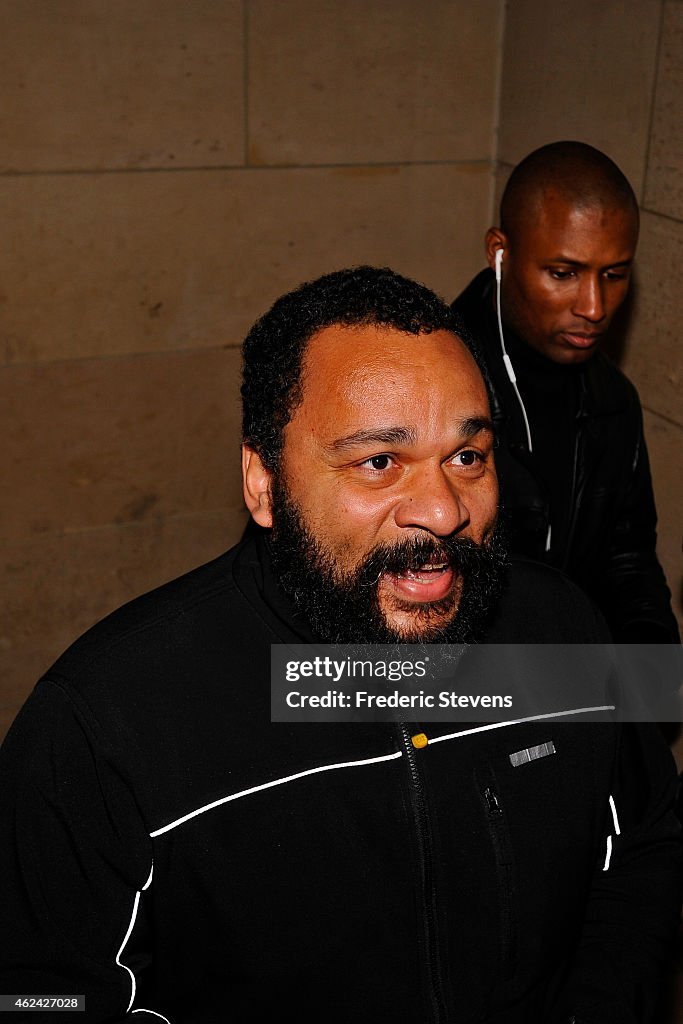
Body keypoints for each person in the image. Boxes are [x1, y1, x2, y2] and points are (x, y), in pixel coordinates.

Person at [0, 267, 680, 1023]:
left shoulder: (560, 625)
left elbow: (649, 841)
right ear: (262, 483)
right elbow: (36, 993)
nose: (441, 510)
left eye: (466, 456)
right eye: (377, 462)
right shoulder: (101, 722)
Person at [453, 140, 679, 643]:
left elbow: (629, 559)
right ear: (500, 253)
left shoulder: (612, 400)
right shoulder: (423, 386)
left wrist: (650, 683)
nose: (595, 307)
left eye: (615, 275)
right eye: (564, 273)